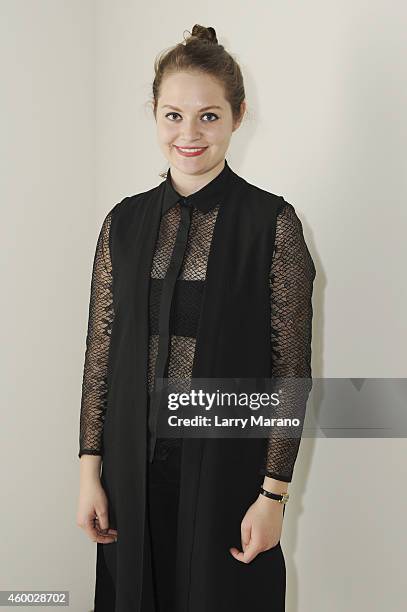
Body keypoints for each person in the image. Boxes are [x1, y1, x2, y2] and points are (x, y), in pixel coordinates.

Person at [76, 24, 316, 612]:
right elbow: (100, 351)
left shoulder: (273, 225)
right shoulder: (124, 224)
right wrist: (89, 471)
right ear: (154, 117)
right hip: (132, 474)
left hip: (229, 477)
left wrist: (273, 495)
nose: (189, 133)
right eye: (173, 115)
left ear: (238, 115)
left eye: (209, 116)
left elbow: (290, 371)